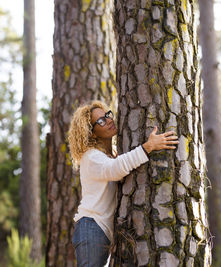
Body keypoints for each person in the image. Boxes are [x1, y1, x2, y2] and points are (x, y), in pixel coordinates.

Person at [68, 100, 179, 267]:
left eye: (107, 115)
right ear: (91, 133)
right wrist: (148, 146)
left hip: (100, 230)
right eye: (100, 121)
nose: (108, 120)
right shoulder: (91, 157)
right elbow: (116, 169)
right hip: (92, 227)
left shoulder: (110, 154)